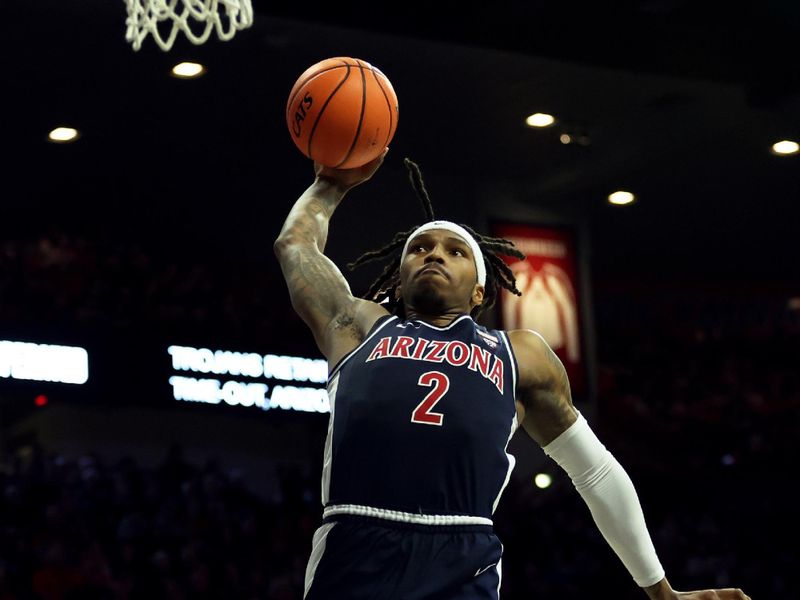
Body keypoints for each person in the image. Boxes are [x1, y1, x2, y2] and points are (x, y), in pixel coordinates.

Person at [273, 150, 751, 600]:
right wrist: (329, 186)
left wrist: (659, 589)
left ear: (481, 292)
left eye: (454, 251)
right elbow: (295, 244)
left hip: (460, 556)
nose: (434, 254)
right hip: (355, 545)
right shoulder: (356, 325)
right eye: (420, 248)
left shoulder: (519, 354)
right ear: (399, 280)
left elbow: (596, 470)